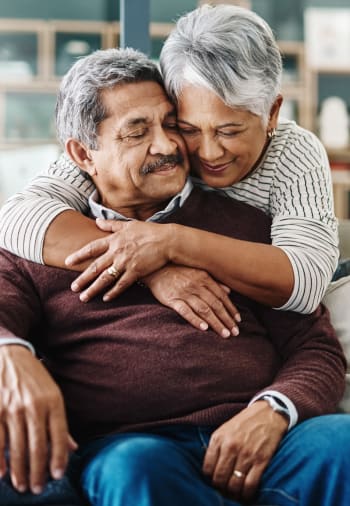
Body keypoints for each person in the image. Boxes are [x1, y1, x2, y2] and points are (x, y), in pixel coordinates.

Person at [0, 47, 349, 506]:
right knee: (135, 470)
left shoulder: (245, 227)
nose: (167, 146)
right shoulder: (39, 243)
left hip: (267, 440)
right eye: (137, 132)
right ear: (84, 153)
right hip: (136, 445)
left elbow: (316, 347)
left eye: (170, 124)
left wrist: (275, 409)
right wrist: (10, 354)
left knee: (341, 443)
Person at [0, 5, 338, 327]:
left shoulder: (292, 153)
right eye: (188, 128)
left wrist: (171, 243)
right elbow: (17, 218)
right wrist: (151, 267)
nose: (209, 152)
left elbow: (306, 283)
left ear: (273, 113)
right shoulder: (154, 146)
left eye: (229, 130)